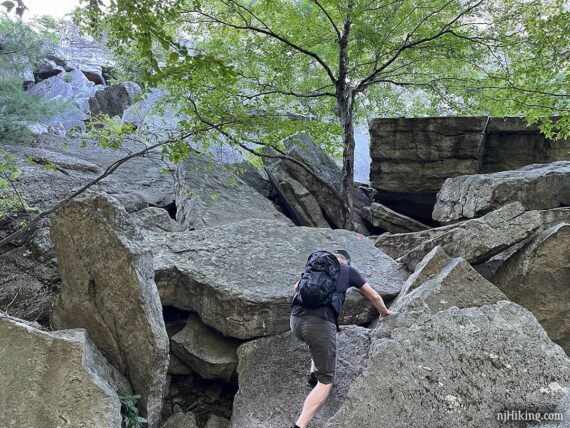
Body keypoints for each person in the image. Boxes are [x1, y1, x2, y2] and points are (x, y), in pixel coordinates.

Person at [289, 249, 395, 428]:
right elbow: (374, 295)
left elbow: (296, 288)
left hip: (296, 321)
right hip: (318, 324)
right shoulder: (348, 271)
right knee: (326, 382)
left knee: (317, 342)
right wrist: (384, 312)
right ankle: (300, 424)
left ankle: (313, 374)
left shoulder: (315, 266)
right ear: (347, 261)